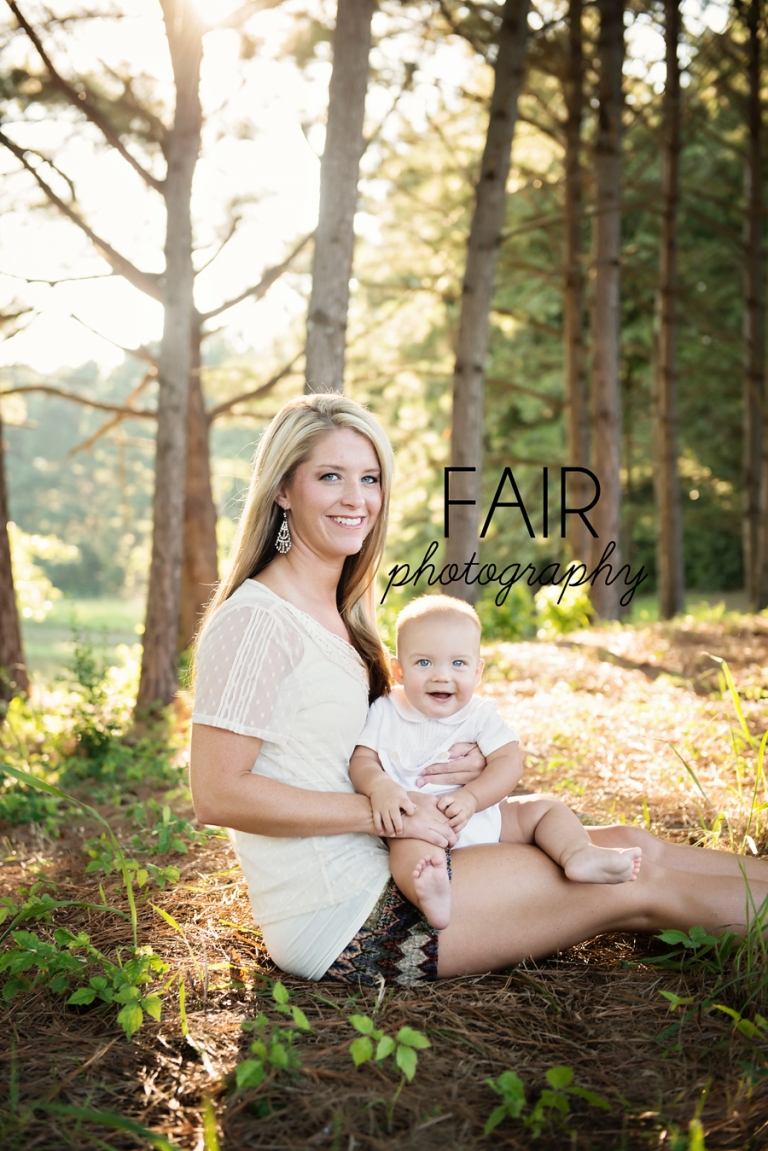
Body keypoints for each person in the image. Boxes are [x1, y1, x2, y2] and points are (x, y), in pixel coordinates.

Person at [190, 393, 768, 988]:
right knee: (639, 884)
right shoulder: (257, 619)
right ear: (282, 490)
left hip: (404, 852)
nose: (356, 498)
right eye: (329, 476)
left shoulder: (339, 613)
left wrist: (448, 760)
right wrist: (389, 812)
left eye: (370, 478)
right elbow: (216, 792)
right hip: (348, 915)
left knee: (633, 844)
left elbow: (345, 745)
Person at [349, 594, 642, 931]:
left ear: (478, 672)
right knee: (407, 851)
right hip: (421, 824)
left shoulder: (480, 714)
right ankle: (430, 891)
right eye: (424, 663)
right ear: (398, 670)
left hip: (486, 815)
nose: (442, 676)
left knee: (544, 809)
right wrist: (380, 786)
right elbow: (363, 758)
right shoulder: (386, 710)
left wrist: (472, 797)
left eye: (458, 664)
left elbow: (508, 762)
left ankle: (578, 853)